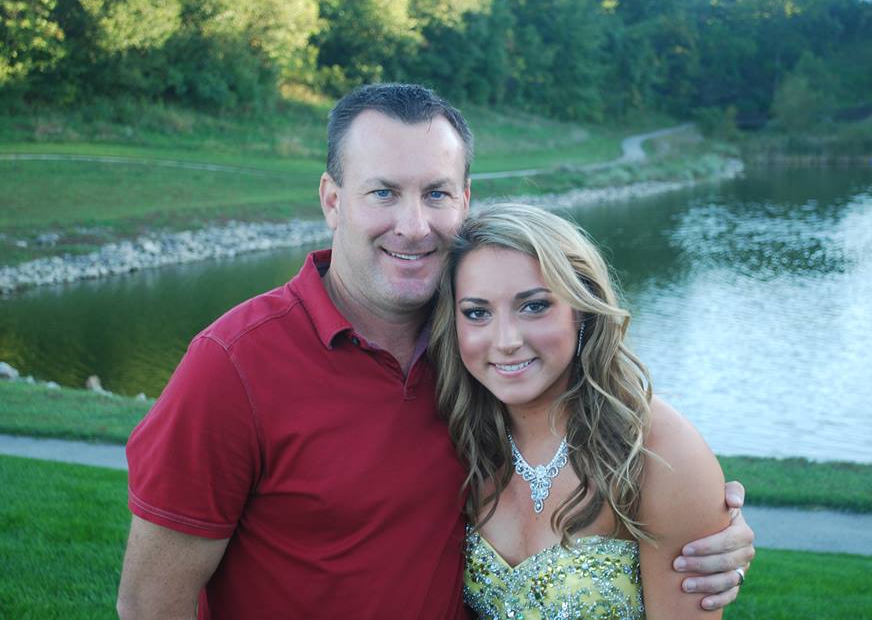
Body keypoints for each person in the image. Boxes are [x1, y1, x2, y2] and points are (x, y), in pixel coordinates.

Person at [117, 83, 754, 620]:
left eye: (436, 193)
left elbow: (614, 463)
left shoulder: (480, 363)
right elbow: (149, 603)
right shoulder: (233, 365)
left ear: (465, 200)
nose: (414, 226)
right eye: (383, 193)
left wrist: (705, 526)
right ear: (333, 200)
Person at [430, 203, 745, 618]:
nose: (506, 340)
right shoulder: (455, 436)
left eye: (534, 306)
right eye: (477, 313)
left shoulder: (658, 450)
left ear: (581, 309)